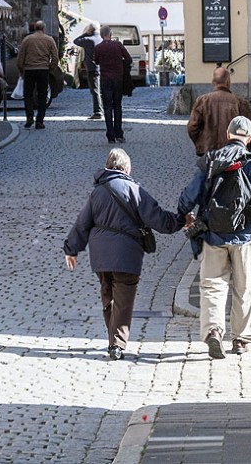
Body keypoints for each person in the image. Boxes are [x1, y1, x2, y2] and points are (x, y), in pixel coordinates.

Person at [63, 149, 185, 360]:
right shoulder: (134, 190)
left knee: (108, 296)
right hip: (127, 255)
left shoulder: (97, 192)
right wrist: (181, 221)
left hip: (100, 255)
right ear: (126, 168)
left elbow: (82, 223)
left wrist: (71, 249)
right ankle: (117, 344)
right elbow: (158, 218)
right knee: (124, 298)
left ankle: (113, 341)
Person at [177, 114, 251, 359]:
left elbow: (190, 195)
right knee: (244, 288)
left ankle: (213, 333)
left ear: (228, 135)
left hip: (213, 234)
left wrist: (184, 212)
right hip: (245, 236)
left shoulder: (210, 160)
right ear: (249, 139)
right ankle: (240, 339)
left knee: (212, 286)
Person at [186, 66, 251, 156]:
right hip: (233, 153)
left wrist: (201, 144)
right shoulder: (239, 102)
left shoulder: (202, 101)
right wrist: (244, 150)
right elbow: (248, 129)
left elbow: (192, 127)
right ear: (228, 82)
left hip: (208, 152)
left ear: (213, 82)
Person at [17, 20, 59, 130]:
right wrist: (50, 68)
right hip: (43, 70)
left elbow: (20, 58)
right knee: (42, 95)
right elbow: (55, 57)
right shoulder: (49, 40)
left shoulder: (27, 40)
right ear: (43, 29)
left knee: (28, 95)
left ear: (35, 28)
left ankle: (29, 117)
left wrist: (22, 70)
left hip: (29, 69)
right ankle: (39, 121)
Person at [93, 25, 132, 145]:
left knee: (107, 107)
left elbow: (97, 61)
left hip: (105, 79)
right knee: (117, 106)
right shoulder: (118, 45)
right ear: (110, 34)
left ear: (101, 35)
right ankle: (119, 134)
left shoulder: (98, 47)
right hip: (118, 79)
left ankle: (110, 136)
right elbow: (129, 59)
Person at [74, 24, 103, 120]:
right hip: (101, 67)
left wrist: (85, 34)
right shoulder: (101, 39)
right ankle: (102, 110)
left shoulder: (89, 40)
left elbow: (76, 41)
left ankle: (98, 112)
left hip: (92, 68)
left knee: (95, 90)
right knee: (100, 89)